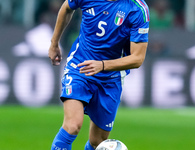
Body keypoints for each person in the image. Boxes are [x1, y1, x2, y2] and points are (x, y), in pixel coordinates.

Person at [48, 0, 149, 149]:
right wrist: (54, 43)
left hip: (111, 78)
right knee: (72, 125)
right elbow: (67, 8)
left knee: (98, 142)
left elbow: (137, 58)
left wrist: (102, 65)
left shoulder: (137, 9)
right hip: (80, 67)